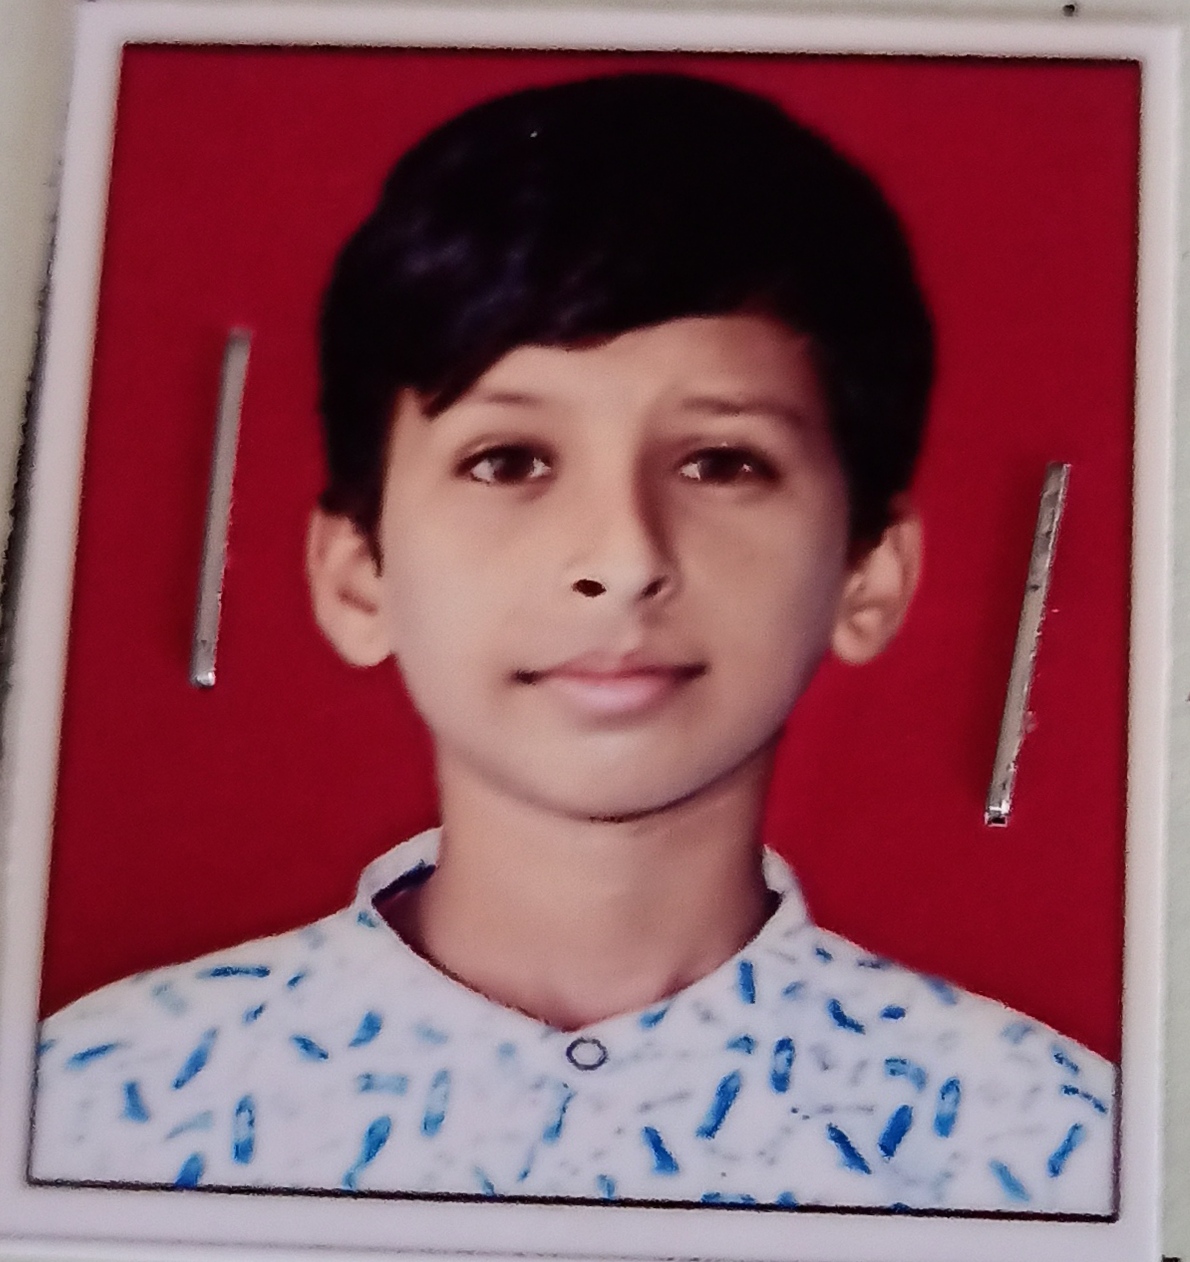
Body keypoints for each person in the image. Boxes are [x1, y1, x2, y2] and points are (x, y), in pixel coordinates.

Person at [30, 71, 1115, 1214]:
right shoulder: (98, 1105)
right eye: (508, 460)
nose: (621, 555)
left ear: (867, 571)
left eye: (720, 462)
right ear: (356, 572)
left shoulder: (1050, 1145)